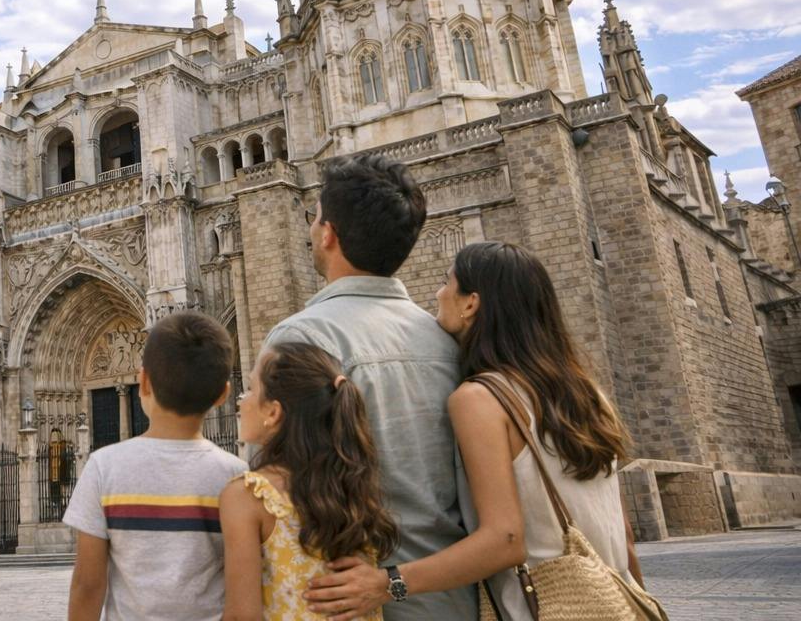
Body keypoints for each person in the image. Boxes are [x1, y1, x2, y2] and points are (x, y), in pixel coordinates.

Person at [304, 242, 650, 620]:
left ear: (471, 303)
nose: (438, 294)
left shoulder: (481, 399)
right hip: (616, 602)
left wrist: (387, 584)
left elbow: (505, 540)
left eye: (446, 282)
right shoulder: (588, 394)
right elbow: (625, 535)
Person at [263, 153, 474, 620]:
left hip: (348, 605)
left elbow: (278, 498)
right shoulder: (450, 343)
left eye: (315, 216)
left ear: (328, 234)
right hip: (451, 598)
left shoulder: (300, 339)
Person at [64, 310, 246, 621]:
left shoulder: (102, 467)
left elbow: (88, 584)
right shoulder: (237, 475)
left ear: (143, 381)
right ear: (223, 394)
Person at [221, 342, 398, 621]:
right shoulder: (353, 485)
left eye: (252, 388)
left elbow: (242, 616)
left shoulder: (249, 495)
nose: (242, 399)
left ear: (273, 412)